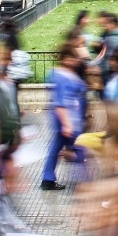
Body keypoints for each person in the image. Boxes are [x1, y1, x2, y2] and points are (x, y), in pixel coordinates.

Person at [41, 43, 87, 190]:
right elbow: (61, 102)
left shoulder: (61, 75)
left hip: (65, 120)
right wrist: (67, 124)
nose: (77, 61)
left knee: (55, 149)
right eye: (74, 58)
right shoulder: (64, 77)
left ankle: (48, 178)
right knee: (80, 149)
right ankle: (84, 181)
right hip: (69, 120)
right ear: (66, 59)